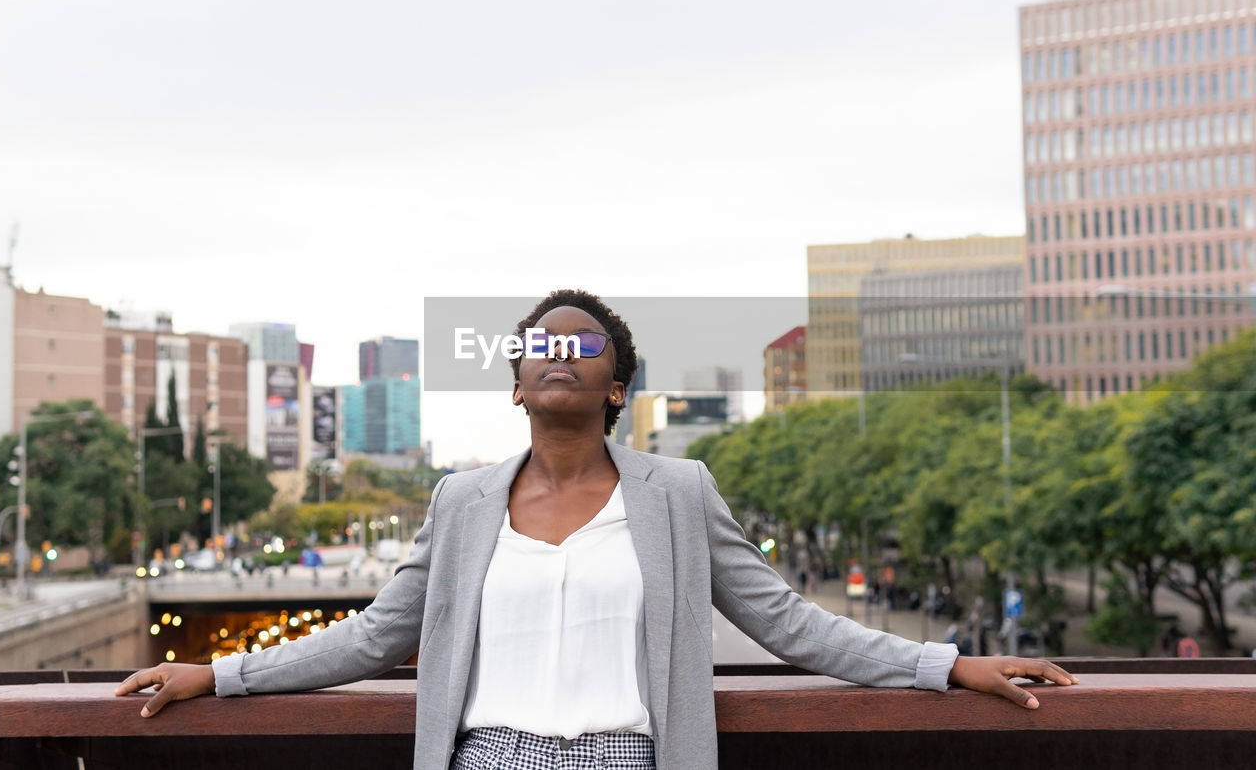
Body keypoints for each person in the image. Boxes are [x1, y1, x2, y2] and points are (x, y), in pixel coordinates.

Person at [117, 289, 1076, 770]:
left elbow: (790, 622)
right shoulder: (461, 502)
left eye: (585, 345)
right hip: (489, 756)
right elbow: (377, 635)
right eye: (542, 344)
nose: (560, 354)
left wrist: (947, 664)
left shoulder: (678, 491)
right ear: (518, 381)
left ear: (616, 385)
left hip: (630, 757)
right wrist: (219, 673)